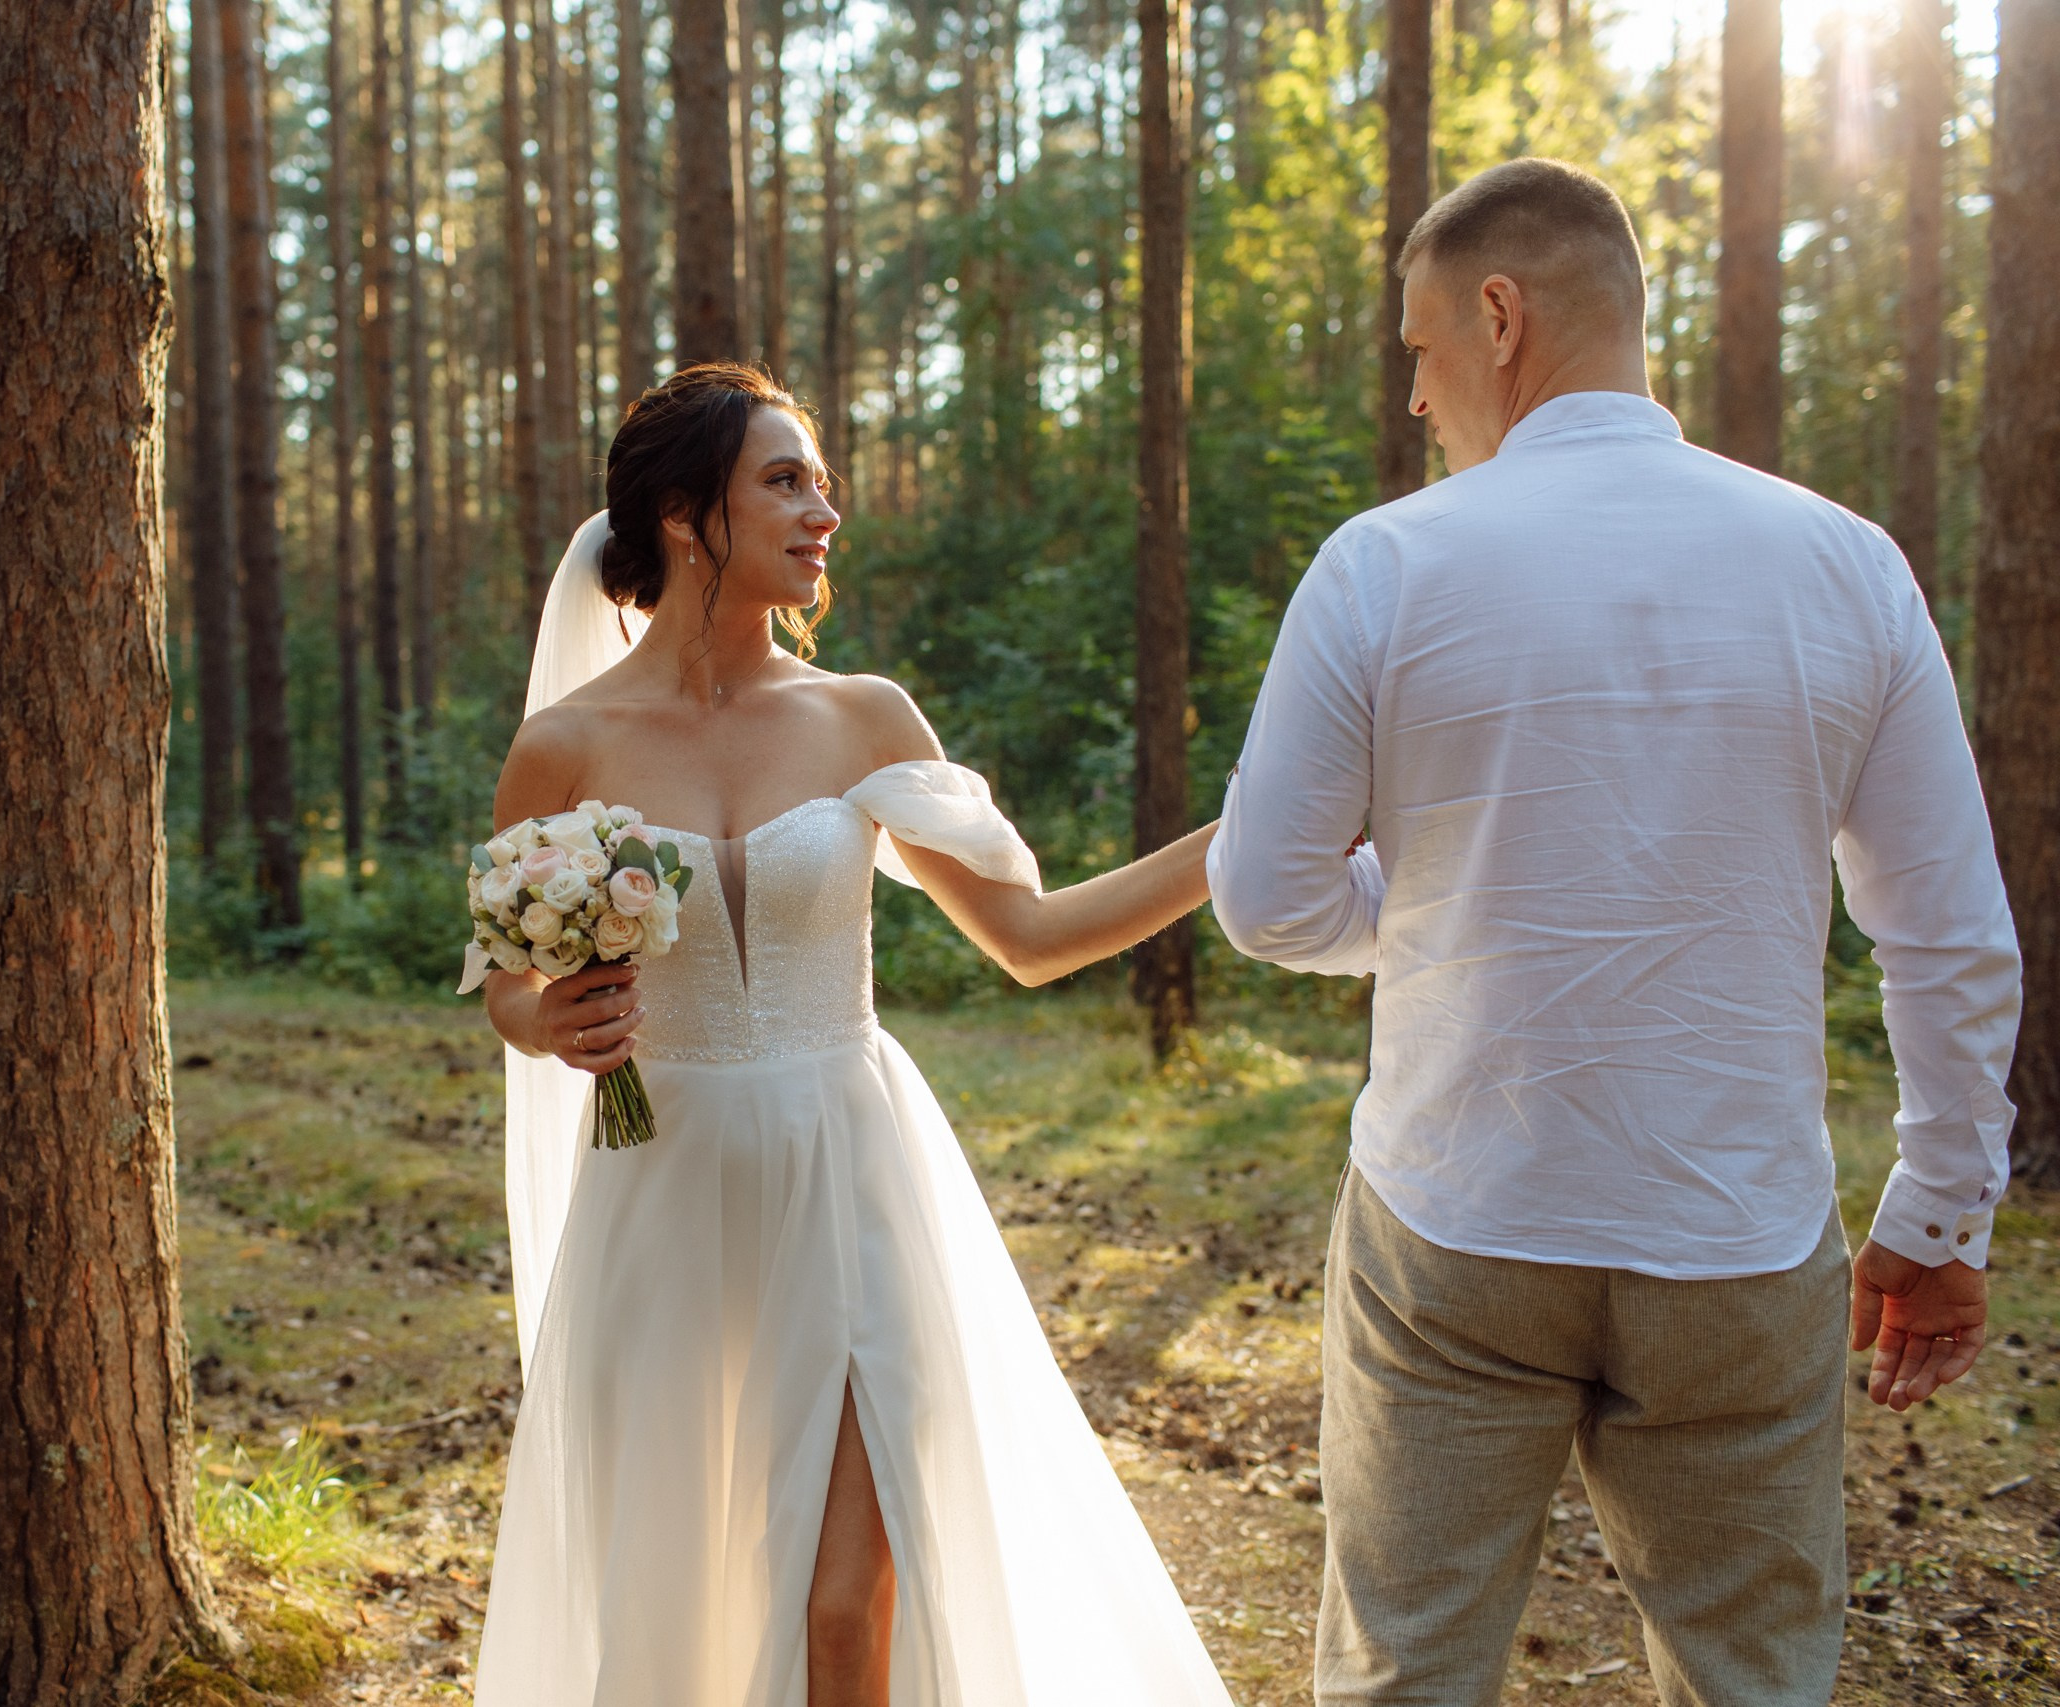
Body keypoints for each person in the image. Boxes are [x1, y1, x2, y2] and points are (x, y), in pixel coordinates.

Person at [1205, 157, 2021, 1707]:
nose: (1418, 401)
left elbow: (1267, 901)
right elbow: (1947, 931)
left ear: (1500, 317)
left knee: (1404, 1671)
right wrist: (1939, 1212)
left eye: (1423, 351)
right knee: (1752, 1677)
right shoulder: (1847, 565)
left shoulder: (1385, 562)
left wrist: (1434, 915)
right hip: (1736, 1232)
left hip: (1458, 1222)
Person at [470, 363, 1233, 1706]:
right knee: (674, 1594)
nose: (825, 511)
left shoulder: (864, 717)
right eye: (786, 481)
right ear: (685, 515)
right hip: (663, 1191)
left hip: (850, 1170)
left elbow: (1031, 937)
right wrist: (553, 1023)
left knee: (845, 1603)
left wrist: (1252, 836)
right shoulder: (564, 746)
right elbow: (510, 991)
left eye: (821, 483)